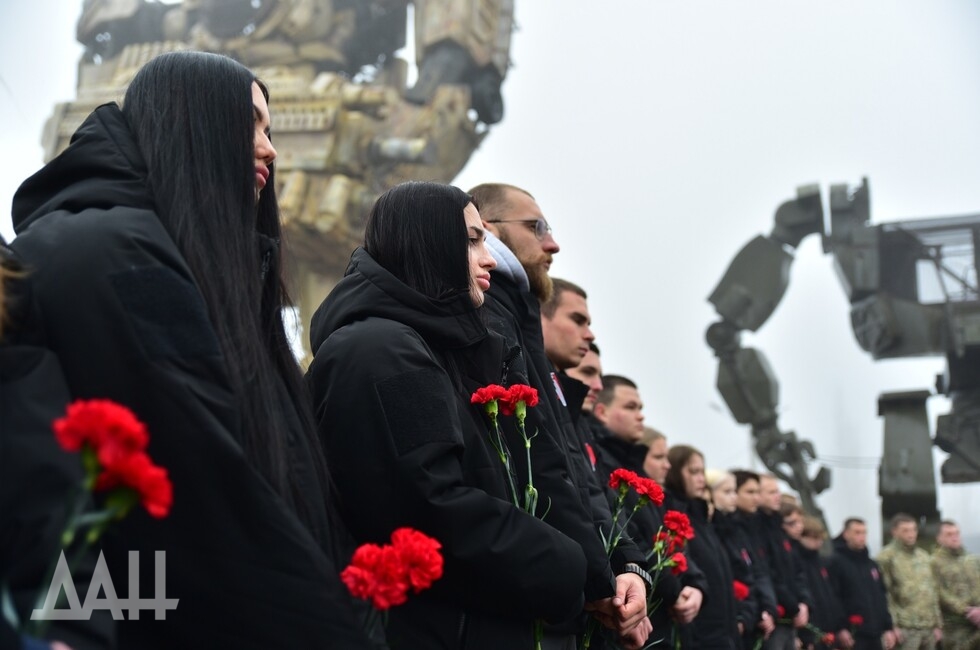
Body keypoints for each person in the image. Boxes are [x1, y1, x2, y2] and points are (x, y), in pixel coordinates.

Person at [7, 51, 370, 648]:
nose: (271, 150)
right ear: (192, 122)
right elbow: (198, 479)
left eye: (271, 128)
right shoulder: (118, 251)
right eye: (249, 123)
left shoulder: (153, 248)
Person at [305, 181, 589, 648]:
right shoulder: (383, 350)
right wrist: (567, 565)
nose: (491, 259)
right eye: (473, 240)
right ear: (429, 241)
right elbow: (430, 506)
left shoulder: (422, 347)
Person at [469, 182, 649, 649]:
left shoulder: (514, 320)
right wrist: (598, 580)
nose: (553, 243)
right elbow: (539, 470)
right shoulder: (487, 321)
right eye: (537, 227)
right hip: (533, 602)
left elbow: (573, 474)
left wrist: (625, 565)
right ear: (487, 231)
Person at [665, 446, 739, 649]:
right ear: (675, 471)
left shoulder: (702, 519)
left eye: (702, 472)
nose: (701, 479)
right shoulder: (674, 515)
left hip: (723, 634)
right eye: (693, 471)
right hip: (700, 637)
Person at [708, 468, 762, 649]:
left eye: (733, 491)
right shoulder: (714, 529)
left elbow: (751, 574)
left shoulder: (734, 529)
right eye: (727, 492)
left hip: (741, 618)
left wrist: (747, 614)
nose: (733, 497)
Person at [758, 474, 812, 649]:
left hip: (790, 617)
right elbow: (768, 573)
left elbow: (796, 573)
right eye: (772, 492)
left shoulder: (778, 531)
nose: (777, 496)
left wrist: (803, 603)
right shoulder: (759, 529)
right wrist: (793, 607)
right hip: (776, 616)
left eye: (778, 491)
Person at [877, 514, 943, 649]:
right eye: (905, 530)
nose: (911, 534)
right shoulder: (886, 558)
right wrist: (891, 626)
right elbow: (884, 594)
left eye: (914, 530)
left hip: (928, 628)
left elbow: (932, 591)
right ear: (894, 532)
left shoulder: (923, 556)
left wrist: (937, 624)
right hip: (905, 628)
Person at [829, 518, 897, 650]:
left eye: (864, 533)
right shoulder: (835, 562)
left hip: (875, 633)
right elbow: (833, 597)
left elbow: (881, 597)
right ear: (846, 534)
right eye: (857, 532)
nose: (861, 537)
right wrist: (841, 628)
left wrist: (887, 627)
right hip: (853, 634)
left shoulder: (871, 565)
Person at [732, 469, 779, 649]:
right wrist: (758, 613)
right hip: (745, 620)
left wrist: (768, 610)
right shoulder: (733, 529)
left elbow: (761, 572)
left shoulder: (752, 528)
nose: (756, 499)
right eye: (750, 492)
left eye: (758, 492)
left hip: (760, 617)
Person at [797, 516, 850, 650]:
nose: (819, 542)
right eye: (814, 538)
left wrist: (839, 627)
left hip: (827, 631)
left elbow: (831, 596)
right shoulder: (798, 562)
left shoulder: (820, 562)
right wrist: (806, 636)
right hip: (811, 631)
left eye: (821, 538)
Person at [931, 520, 980, 650]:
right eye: (949, 534)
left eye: (957, 533)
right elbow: (937, 592)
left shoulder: (973, 559)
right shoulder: (934, 562)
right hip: (955, 627)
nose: (955, 537)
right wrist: (966, 610)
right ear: (939, 538)